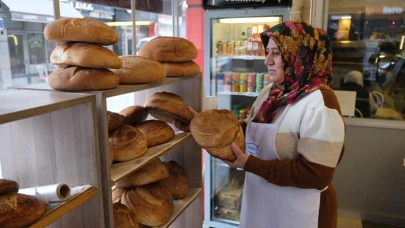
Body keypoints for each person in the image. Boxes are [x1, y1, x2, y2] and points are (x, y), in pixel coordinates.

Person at [175, 21, 345, 228]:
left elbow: (317, 175)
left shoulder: (320, 103)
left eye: (277, 53)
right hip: (262, 203)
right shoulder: (272, 92)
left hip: (299, 212)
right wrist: (201, 126)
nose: (267, 61)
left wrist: (250, 164)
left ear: (301, 55)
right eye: (268, 52)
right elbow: (248, 131)